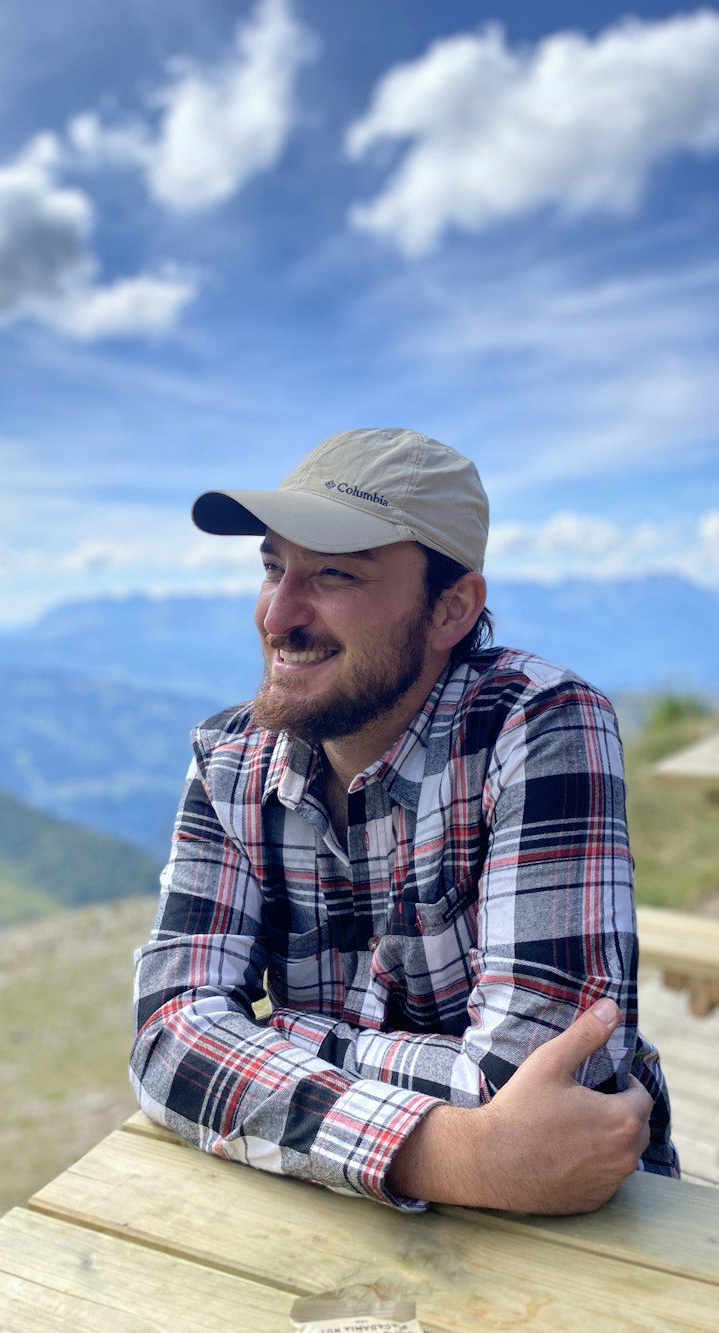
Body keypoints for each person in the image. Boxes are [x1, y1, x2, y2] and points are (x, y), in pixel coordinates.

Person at [130, 427, 678, 1214]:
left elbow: (545, 1087)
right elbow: (166, 1036)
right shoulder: (228, 759)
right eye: (273, 566)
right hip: (330, 1210)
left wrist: (271, 1036)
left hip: (568, 1228)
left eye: (333, 574)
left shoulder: (539, 725)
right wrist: (450, 1152)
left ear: (451, 607)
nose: (278, 612)